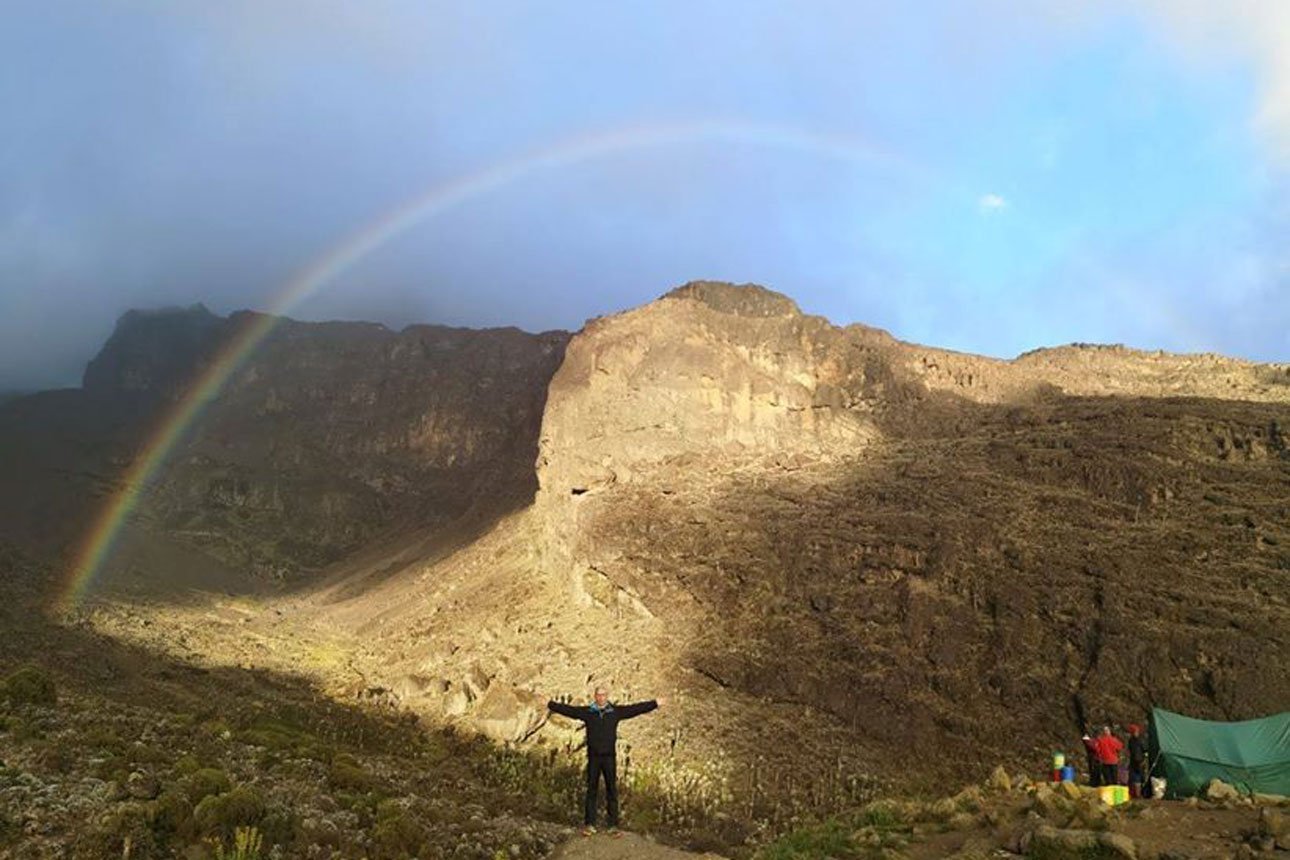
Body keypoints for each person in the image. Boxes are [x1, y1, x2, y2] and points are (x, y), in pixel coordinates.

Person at [547, 686, 664, 835]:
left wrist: (654, 703)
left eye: (604, 695)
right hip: (594, 757)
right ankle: (589, 824)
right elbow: (570, 711)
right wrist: (550, 704)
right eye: (599, 695)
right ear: (595, 696)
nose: (601, 697)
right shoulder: (588, 712)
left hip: (609, 757)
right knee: (591, 790)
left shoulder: (615, 712)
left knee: (611, 790)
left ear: (607, 696)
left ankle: (613, 825)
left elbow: (635, 709)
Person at [1126, 723, 1147, 797]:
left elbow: (1144, 750)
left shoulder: (1137, 740)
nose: (1136, 733)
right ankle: (1136, 794)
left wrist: (1143, 759)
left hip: (1138, 761)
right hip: (1135, 761)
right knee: (1135, 778)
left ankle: (1138, 794)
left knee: (1138, 778)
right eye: (1135, 732)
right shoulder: (1133, 741)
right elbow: (1134, 751)